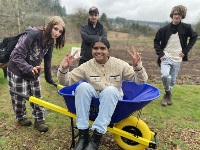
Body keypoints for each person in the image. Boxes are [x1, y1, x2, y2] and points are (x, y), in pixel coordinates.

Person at [57, 37, 148, 150]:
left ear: (108, 50)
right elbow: (65, 81)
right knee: (82, 87)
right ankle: (83, 135)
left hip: (112, 100)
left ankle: (96, 138)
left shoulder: (119, 64)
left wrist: (137, 66)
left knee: (110, 90)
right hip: (94, 99)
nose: (98, 51)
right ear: (92, 50)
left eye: (102, 48)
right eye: (95, 48)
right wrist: (64, 68)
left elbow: (141, 80)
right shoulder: (87, 66)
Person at [7, 16, 65, 132]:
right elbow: (16, 55)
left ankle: (39, 120)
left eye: (60, 31)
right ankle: (21, 117)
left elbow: (48, 61)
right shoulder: (32, 34)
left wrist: (49, 79)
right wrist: (29, 68)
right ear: (49, 26)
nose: (57, 33)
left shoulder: (50, 42)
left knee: (37, 97)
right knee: (20, 97)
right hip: (18, 70)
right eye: (55, 29)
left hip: (34, 71)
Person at [154, 5, 198, 106]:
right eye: (175, 14)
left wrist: (186, 50)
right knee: (165, 75)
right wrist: (160, 53)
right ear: (172, 15)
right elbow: (156, 41)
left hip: (177, 58)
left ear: (182, 16)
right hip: (166, 57)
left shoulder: (187, 28)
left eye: (179, 14)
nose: (176, 16)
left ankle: (167, 94)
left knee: (172, 80)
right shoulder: (164, 29)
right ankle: (168, 93)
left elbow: (194, 37)